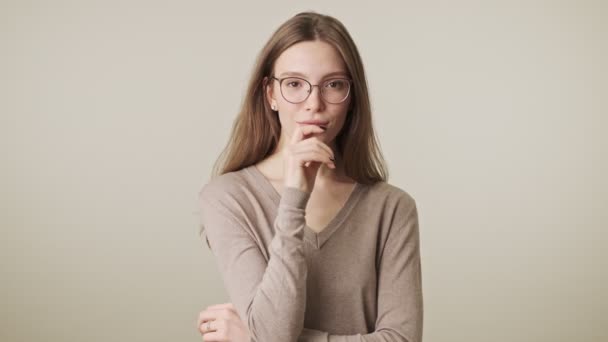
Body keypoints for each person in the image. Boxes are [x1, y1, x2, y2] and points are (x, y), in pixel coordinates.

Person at [196, 11, 423, 342]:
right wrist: (293, 200)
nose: (313, 104)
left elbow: (401, 339)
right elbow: (273, 332)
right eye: (294, 84)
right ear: (270, 94)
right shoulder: (227, 197)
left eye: (333, 85)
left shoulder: (392, 209)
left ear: (352, 97)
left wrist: (256, 338)